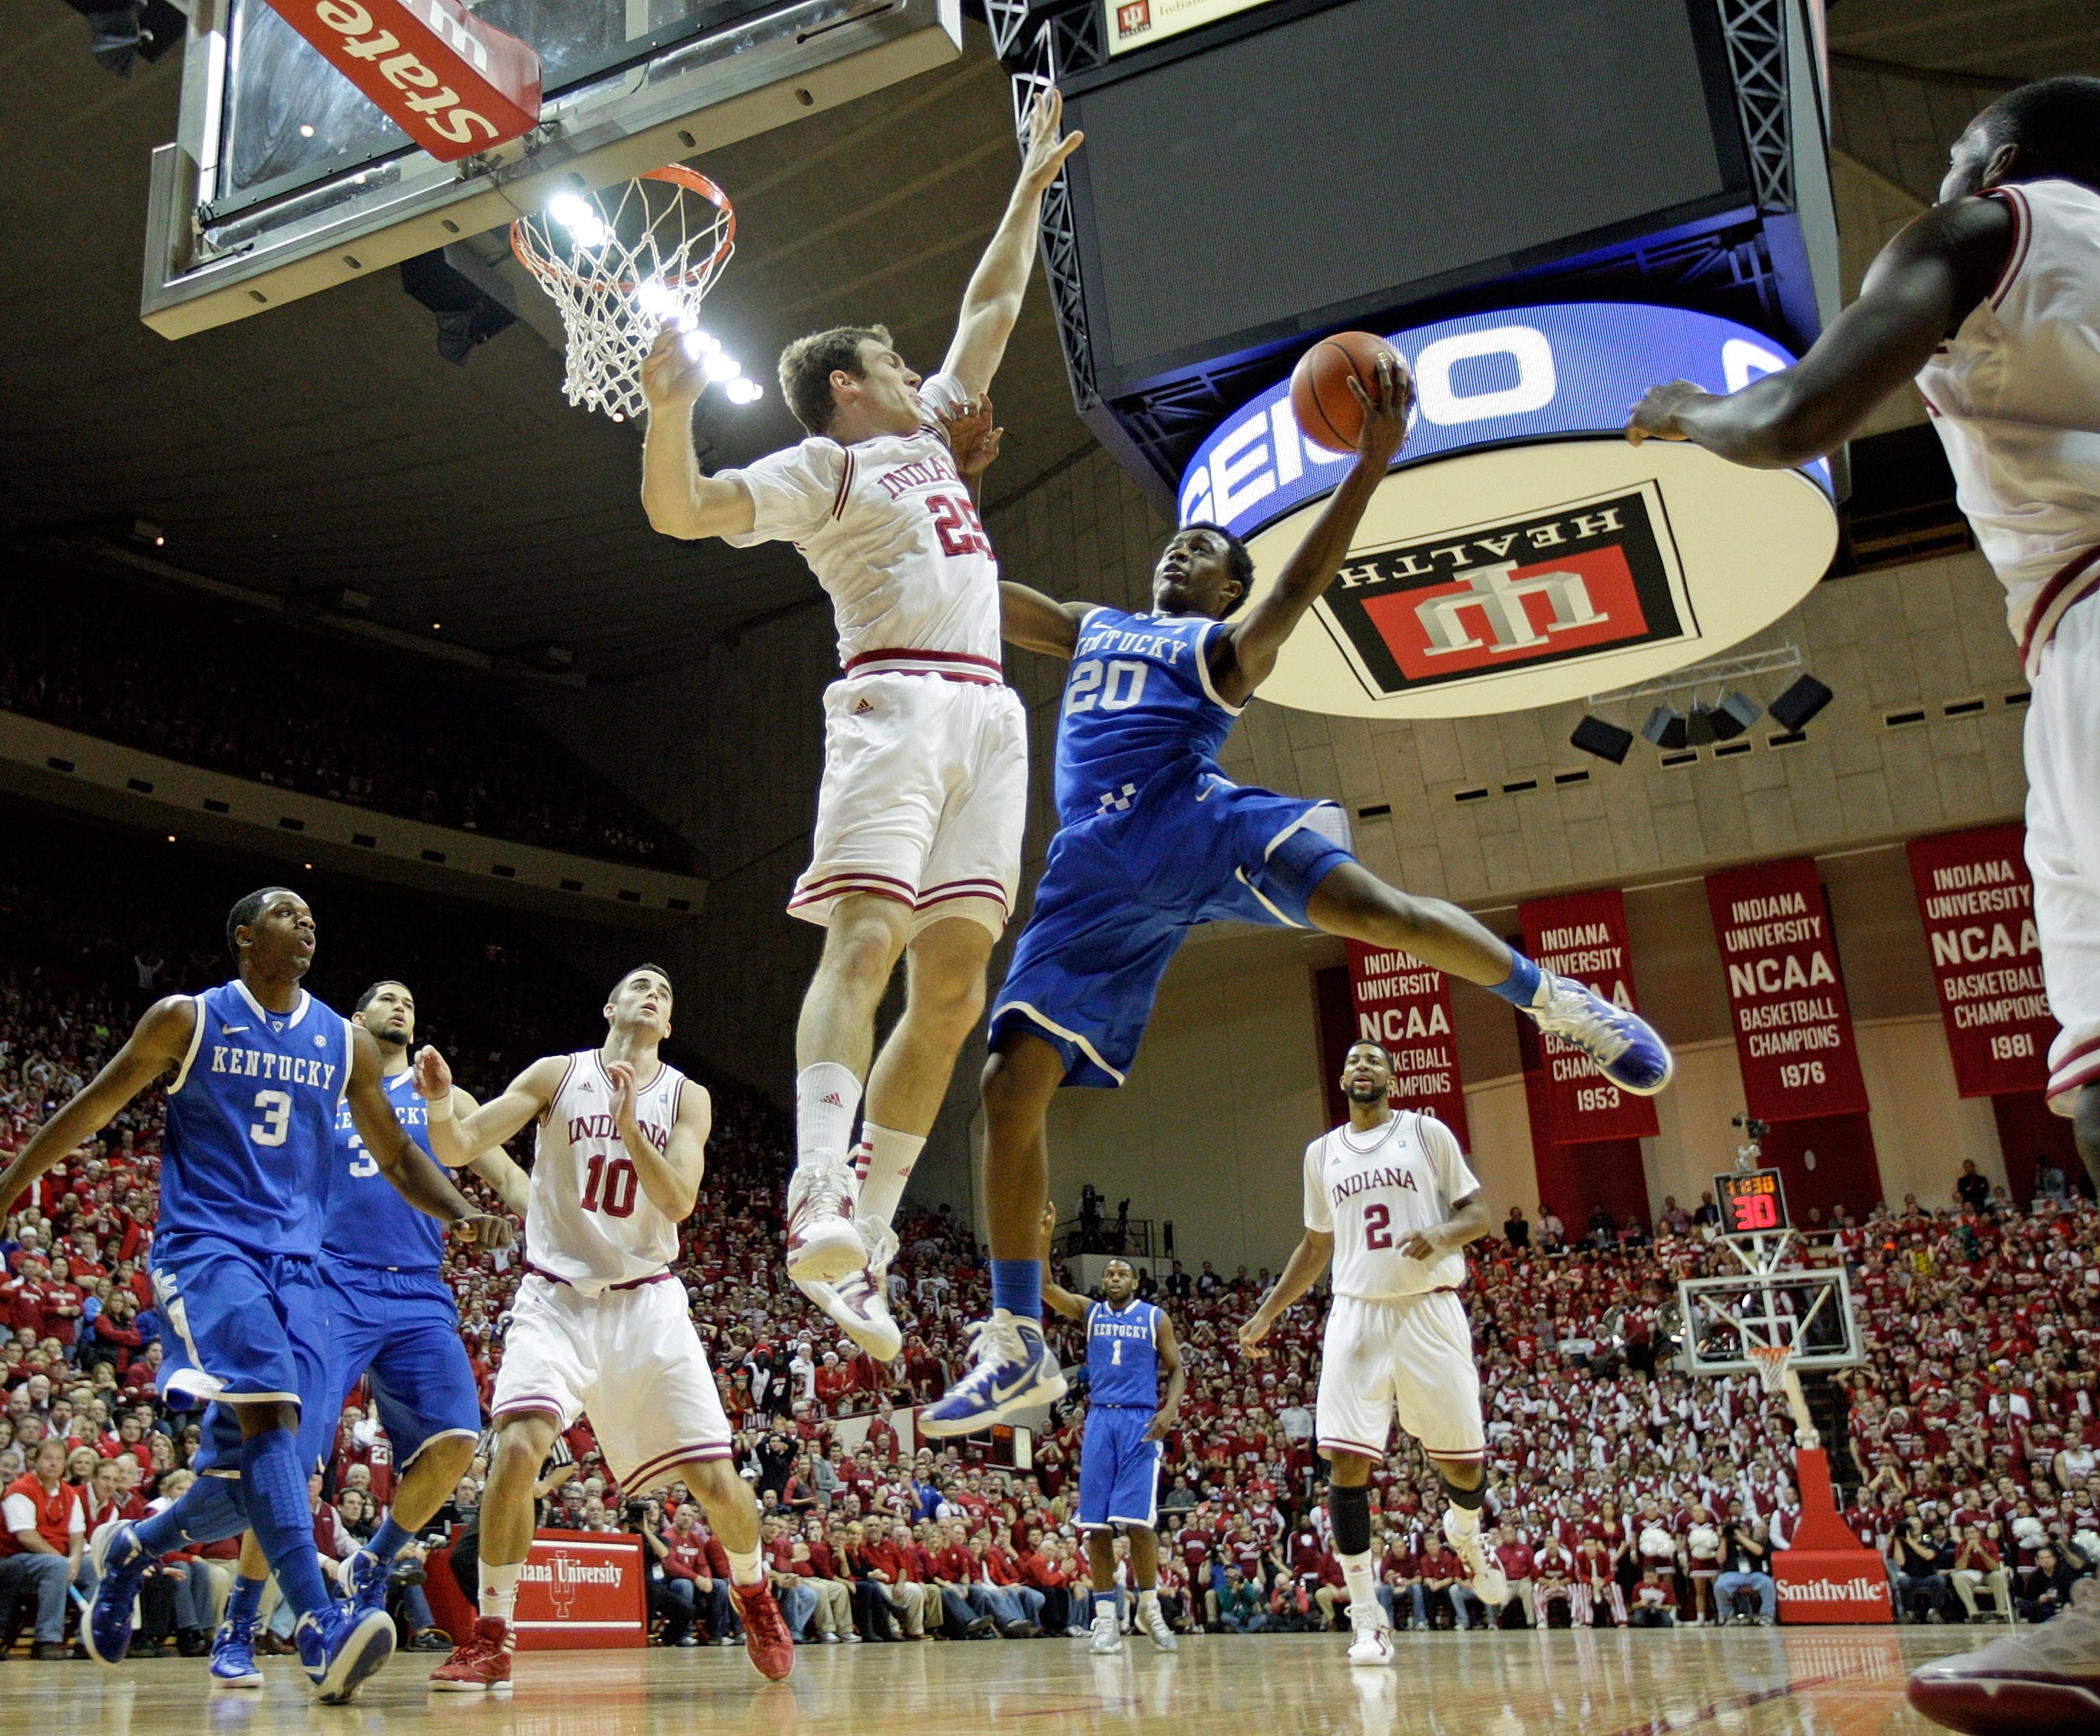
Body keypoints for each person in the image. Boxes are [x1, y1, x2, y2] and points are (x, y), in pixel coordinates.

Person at [925, 357, 1671, 1434]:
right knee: (1005, 1084)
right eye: (1176, 541)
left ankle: (1557, 1001)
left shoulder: (1220, 648)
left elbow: (1299, 588)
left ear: (1226, 588)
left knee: (1384, 914)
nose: (1181, 552)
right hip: (1091, 869)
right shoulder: (1093, 624)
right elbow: (968, 598)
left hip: (1193, 822)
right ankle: (1016, 1342)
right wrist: (964, 486)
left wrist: (1370, 467)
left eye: (1208, 553)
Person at [637, 92, 1086, 1369]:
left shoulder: (935, 437)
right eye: (889, 361)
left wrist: (1028, 188)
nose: (915, 369)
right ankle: (818, 1180)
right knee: (868, 935)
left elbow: (990, 308)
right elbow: (683, 510)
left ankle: (863, 1237)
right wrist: (671, 408)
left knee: (954, 987)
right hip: (891, 695)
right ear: (845, 384)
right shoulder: (820, 467)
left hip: (989, 714)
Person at [1627, 75, 2100, 1195]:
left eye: (1952, 158)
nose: (1941, 178)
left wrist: (1689, 409)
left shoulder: (1987, 228)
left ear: (2000, 160)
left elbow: (1796, 416)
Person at [0, 887, 511, 1703]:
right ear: (245, 937)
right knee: (275, 1418)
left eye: (312, 913)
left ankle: (134, 1549)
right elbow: (94, 1102)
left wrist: (460, 1212)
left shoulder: (340, 1043)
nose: (306, 920)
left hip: (300, 1269)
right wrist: (6, 1190)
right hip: (208, 1252)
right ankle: (319, 1625)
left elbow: (396, 1154)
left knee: (245, 1483)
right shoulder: (188, 1017)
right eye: (285, 911)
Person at [422, 966, 794, 1690]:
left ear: (669, 1025)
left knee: (716, 1481)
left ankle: (755, 1597)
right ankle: (491, 1635)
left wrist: (630, 1127)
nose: (653, 993)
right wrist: (440, 1104)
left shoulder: (687, 1096)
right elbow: (461, 1145)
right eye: (639, 985)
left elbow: (680, 1198)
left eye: (665, 993)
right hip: (555, 1296)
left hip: (646, 1302)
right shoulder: (558, 1074)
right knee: (520, 1448)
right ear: (611, 1006)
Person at [200, 979, 491, 1689]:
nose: (401, 1007)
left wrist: (519, 1212)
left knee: (458, 1440)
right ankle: (240, 1619)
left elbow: (503, 1168)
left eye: (411, 1002)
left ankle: (376, 1557)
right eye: (386, 998)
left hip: (420, 1287)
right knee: (291, 1461)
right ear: (354, 1020)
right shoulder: (325, 1085)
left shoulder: (442, 1097)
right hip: (329, 1280)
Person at [1237, 1043, 1513, 1666]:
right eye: (1353, 1059)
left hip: (1429, 1308)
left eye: (1374, 1060)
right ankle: (1367, 1617)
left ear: (1391, 1077)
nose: (1362, 1065)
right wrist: (1267, 1312)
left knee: (1465, 1468)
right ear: (1340, 1076)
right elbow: (1315, 1246)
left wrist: (1441, 1232)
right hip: (1356, 1312)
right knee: (1344, 1462)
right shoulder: (1322, 1153)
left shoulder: (1426, 1132)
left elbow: (1480, 1214)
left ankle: (1467, 1535)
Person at [1035, 1207, 1184, 1657]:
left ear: (1136, 1282)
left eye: (1123, 1272)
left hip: (1139, 1420)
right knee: (1096, 1526)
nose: (1115, 1276)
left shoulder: (1155, 1317)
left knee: (1139, 1524)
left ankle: (1149, 1607)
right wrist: (1043, 1241)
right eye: (1109, 1272)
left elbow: (1177, 1368)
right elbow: (1045, 1288)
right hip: (1100, 1419)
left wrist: (1170, 1409)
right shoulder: (1091, 1312)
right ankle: (1105, 1620)